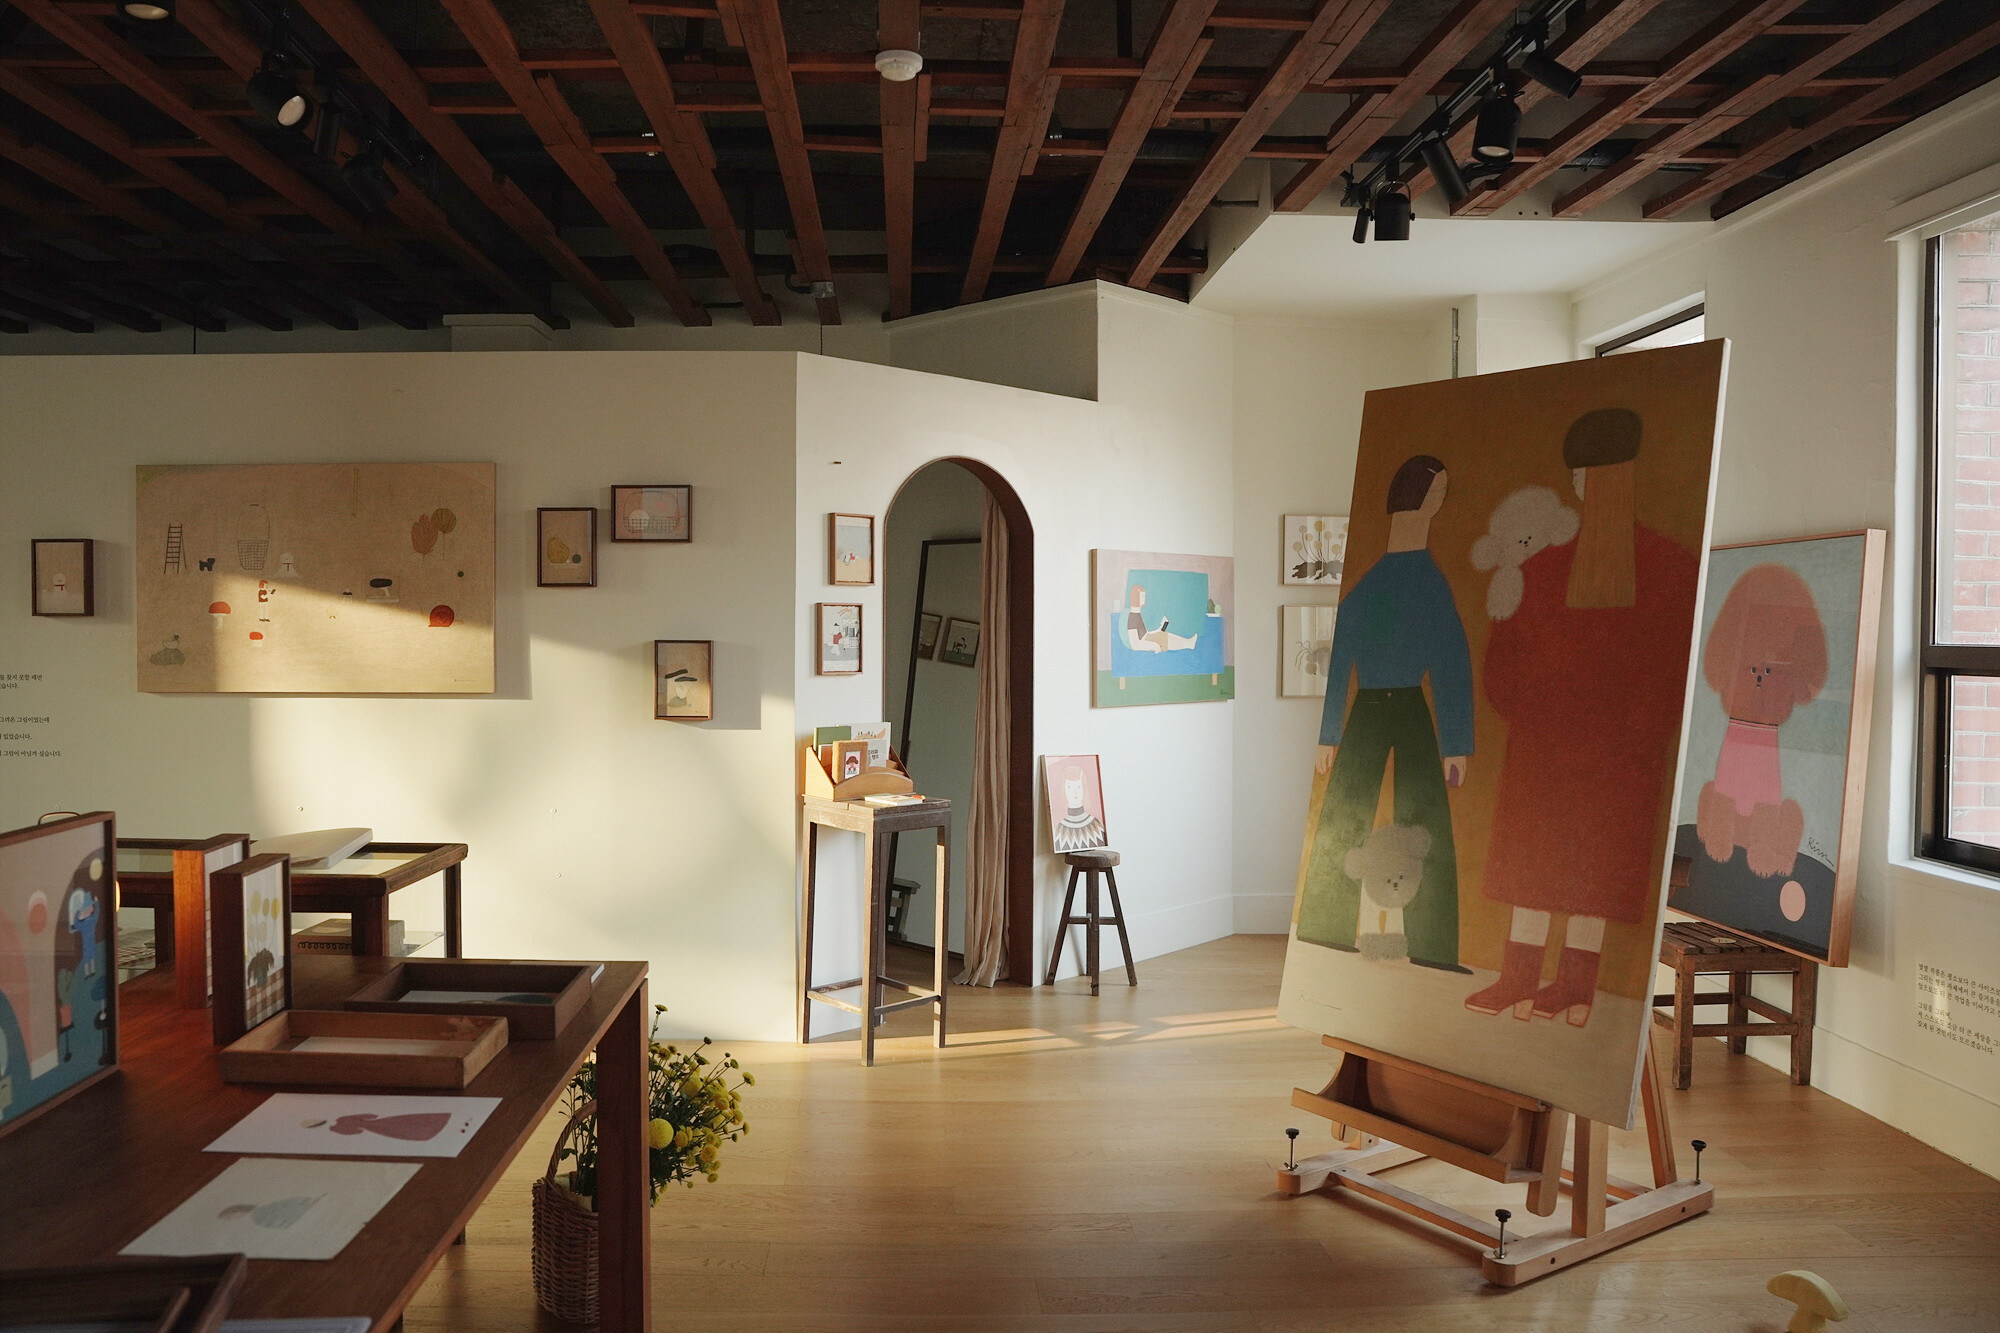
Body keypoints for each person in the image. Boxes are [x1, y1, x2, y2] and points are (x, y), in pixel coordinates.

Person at [1464, 408, 1700, 1027]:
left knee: (1584, 863)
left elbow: (1673, 669)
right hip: (1566, 745)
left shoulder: (1665, 567)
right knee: (1545, 860)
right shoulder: (1552, 566)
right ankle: (1533, 981)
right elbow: (1505, 661)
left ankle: (1563, 985)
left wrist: (1624, 730)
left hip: (1602, 749)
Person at [1298, 455, 1473, 971]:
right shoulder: (1370, 586)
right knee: (1343, 813)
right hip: (1368, 708)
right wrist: (1329, 733)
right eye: (1435, 492)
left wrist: (1455, 742)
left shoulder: (1431, 583)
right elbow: (1339, 662)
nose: (1438, 502)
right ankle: (1324, 926)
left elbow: (1451, 663)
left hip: (1412, 706)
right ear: (1414, 499)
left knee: (1426, 819)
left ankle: (1433, 946)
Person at [1124, 585, 1199, 653]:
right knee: (1163, 637)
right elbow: (1135, 644)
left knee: (1162, 634)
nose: (1144, 599)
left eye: (1144, 596)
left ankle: (1188, 643)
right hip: (1147, 641)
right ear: (1136, 597)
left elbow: (1145, 634)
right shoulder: (1133, 617)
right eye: (1142, 596)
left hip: (1147, 638)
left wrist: (1159, 629)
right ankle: (1188, 644)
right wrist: (1154, 645)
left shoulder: (1137, 615)